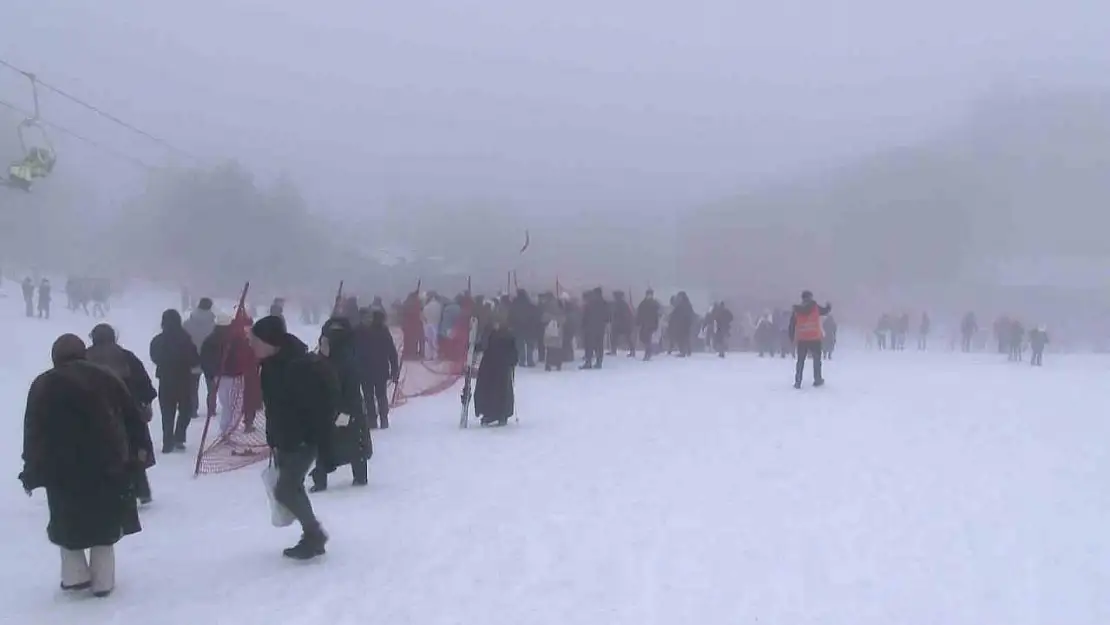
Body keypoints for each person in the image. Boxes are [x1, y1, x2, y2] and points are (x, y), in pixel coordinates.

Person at [20, 334, 153, 597]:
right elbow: (132, 418)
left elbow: (33, 431)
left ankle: (75, 576)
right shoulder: (107, 378)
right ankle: (103, 581)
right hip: (107, 462)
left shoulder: (44, 383)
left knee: (67, 521)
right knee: (104, 522)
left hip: (61, 467)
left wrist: (32, 468)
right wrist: (140, 451)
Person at [250, 315, 334, 559]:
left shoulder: (297, 367)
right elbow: (276, 407)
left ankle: (314, 533)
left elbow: (315, 408)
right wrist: (274, 437)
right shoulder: (271, 365)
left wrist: (317, 443)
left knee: (285, 490)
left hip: (302, 439)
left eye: (255, 341)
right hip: (285, 438)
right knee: (291, 487)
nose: (252, 345)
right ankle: (312, 535)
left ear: (270, 341)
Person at [86, 323, 158, 504]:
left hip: (96, 414)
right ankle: (142, 491)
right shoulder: (126, 357)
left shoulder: (85, 359)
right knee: (134, 451)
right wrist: (145, 403)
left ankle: (109, 494)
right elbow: (144, 384)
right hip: (129, 412)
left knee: (102, 454)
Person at [311, 316, 370, 491]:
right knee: (347, 443)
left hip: (342, 408)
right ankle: (355, 476)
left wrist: (344, 410)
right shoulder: (333, 359)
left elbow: (351, 386)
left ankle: (357, 476)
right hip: (335, 408)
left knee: (345, 442)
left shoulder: (340, 361)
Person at [149, 309, 201, 453]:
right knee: (186, 410)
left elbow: (154, 357)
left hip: (165, 380)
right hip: (184, 379)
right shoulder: (185, 339)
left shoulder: (158, 340)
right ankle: (179, 436)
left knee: (167, 413)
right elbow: (194, 359)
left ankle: (167, 442)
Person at [354, 308, 399, 429]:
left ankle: (379, 419)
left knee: (377, 395)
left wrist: (395, 369)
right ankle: (376, 420)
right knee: (373, 396)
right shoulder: (380, 331)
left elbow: (391, 351)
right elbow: (392, 352)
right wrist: (394, 369)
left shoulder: (359, 331)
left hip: (371, 369)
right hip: (372, 369)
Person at [475, 319, 517, 426]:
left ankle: (493, 413)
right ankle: (498, 413)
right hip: (497, 366)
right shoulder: (505, 334)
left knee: (493, 390)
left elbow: (483, 345)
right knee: (498, 390)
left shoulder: (500, 334)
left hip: (494, 366)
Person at [788, 290, 832, 389]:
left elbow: (791, 325)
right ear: (810, 297)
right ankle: (817, 379)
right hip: (814, 338)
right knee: (816, 360)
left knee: (800, 361)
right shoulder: (815, 307)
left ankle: (798, 381)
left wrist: (791, 337)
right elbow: (825, 311)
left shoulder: (797, 310)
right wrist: (829, 306)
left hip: (802, 338)